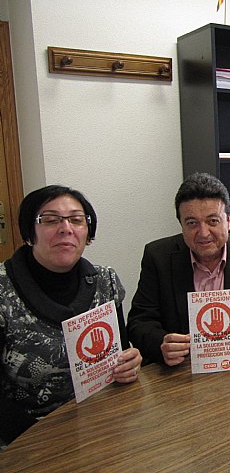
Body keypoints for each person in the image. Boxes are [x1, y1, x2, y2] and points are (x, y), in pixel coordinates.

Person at [0, 185, 142, 448]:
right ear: (30, 231)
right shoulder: (3, 290)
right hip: (28, 439)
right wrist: (42, 443)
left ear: (88, 233)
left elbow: (120, 352)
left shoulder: (106, 281)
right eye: (50, 220)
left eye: (76, 220)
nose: (66, 228)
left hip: (103, 425)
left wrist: (129, 363)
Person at [127, 172, 230, 366]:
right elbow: (139, 322)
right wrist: (161, 344)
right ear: (181, 224)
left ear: (228, 221)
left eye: (213, 221)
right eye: (192, 223)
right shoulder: (158, 256)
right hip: (181, 370)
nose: (204, 233)